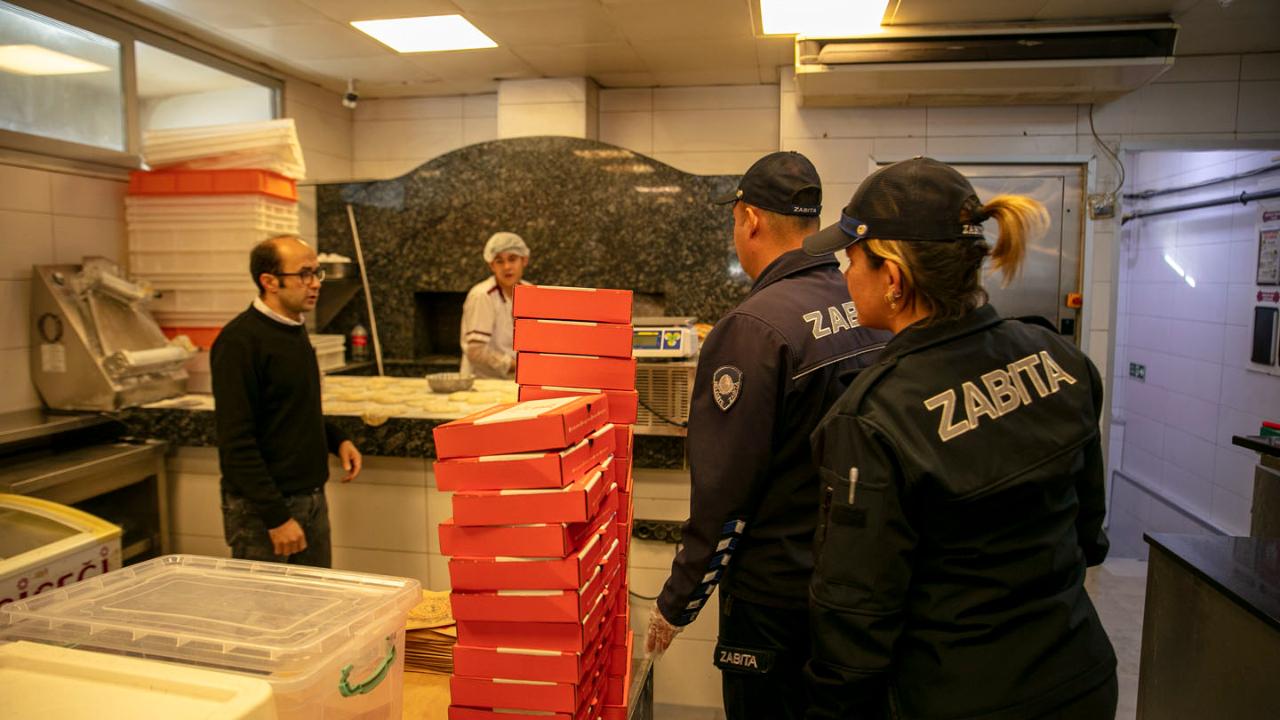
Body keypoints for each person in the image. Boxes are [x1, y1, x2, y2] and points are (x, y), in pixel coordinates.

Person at [801, 157, 1117, 719]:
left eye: (852, 258)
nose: (846, 274)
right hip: (1078, 677)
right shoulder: (1062, 359)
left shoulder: (874, 417)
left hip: (958, 699)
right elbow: (1088, 535)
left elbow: (854, 622)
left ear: (893, 277)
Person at [645, 151, 890, 720]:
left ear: (749, 219)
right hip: (850, 585)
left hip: (773, 602)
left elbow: (724, 495)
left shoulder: (752, 329)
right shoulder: (864, 303)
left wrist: (677, 602)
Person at [211, 235, 363, 568]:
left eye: (317, 273)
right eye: (304, 274)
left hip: (310, 500)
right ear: (269, 281)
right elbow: (236, 444)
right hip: (263, 512)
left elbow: (289, 409)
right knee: (267, 615)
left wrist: (336, 439)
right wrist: (276, 518)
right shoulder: (240, 341)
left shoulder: (293, 329)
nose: (315, 284)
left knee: (318, 610)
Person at [459, 231, 531, 378]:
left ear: (524, 260)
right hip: (482, 384)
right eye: (499, 261)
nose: (506, 267)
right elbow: (476, 351)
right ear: (492, 265)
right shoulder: (482, 296)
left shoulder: (531, 292)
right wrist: (516, 365)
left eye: (512, 259)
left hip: (517, 381)